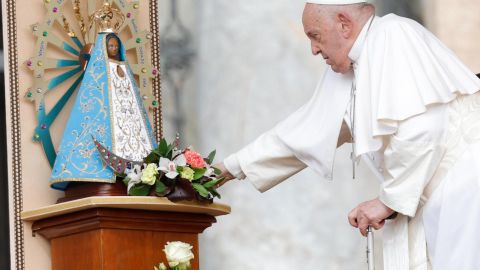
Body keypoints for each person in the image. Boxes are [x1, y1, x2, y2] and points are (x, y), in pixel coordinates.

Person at [215, 1, 480, 269]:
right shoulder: (354, 62)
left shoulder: (393, 35)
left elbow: (422, 130)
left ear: (344, 23)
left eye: (315, 36)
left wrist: (387, 201)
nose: (314, 49)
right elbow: (303, 133)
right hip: (439, 198)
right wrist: (226, 169)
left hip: (464, 186)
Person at [50, 30, 157, 189]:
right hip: (107, 118)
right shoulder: (97, 70)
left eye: (116, 46)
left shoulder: (123, 68)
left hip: (126, 115)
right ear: (103, 47)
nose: (113, 48)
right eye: (110, 45)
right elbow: (93, 101)